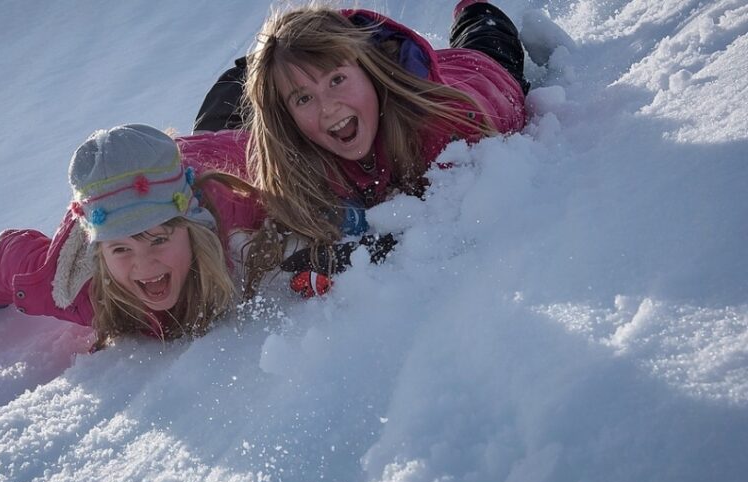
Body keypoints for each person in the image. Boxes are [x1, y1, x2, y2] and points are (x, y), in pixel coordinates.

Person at [202, 1, 529, 293]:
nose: (327, 107)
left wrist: (367, 251)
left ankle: (474, 9)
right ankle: (275, 69)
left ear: (369, 72)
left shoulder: (442, 128)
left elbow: (449, 222)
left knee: (485, 31)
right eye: (303, 98)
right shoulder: (300, 149)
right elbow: (220, 165)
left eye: (336, 80)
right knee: (234, 101)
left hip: (480, 70)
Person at [0, 124, 264, 350]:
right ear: (99, 254)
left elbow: (272, 158)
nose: (143, 264)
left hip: (219, 150)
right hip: (122, 194)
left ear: (191, 229)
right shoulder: (74, 287)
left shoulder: (232, 211)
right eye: (120, 249)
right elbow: (8, 256)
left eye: (158, 239)